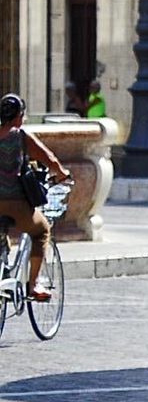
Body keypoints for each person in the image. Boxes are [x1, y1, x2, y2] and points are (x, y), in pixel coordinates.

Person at [0, 95, 71, 301]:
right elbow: (49, 159)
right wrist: (62, 172)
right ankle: (34, 285)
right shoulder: (20, 137)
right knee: (41, 231)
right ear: (19, 117)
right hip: (16, 205)